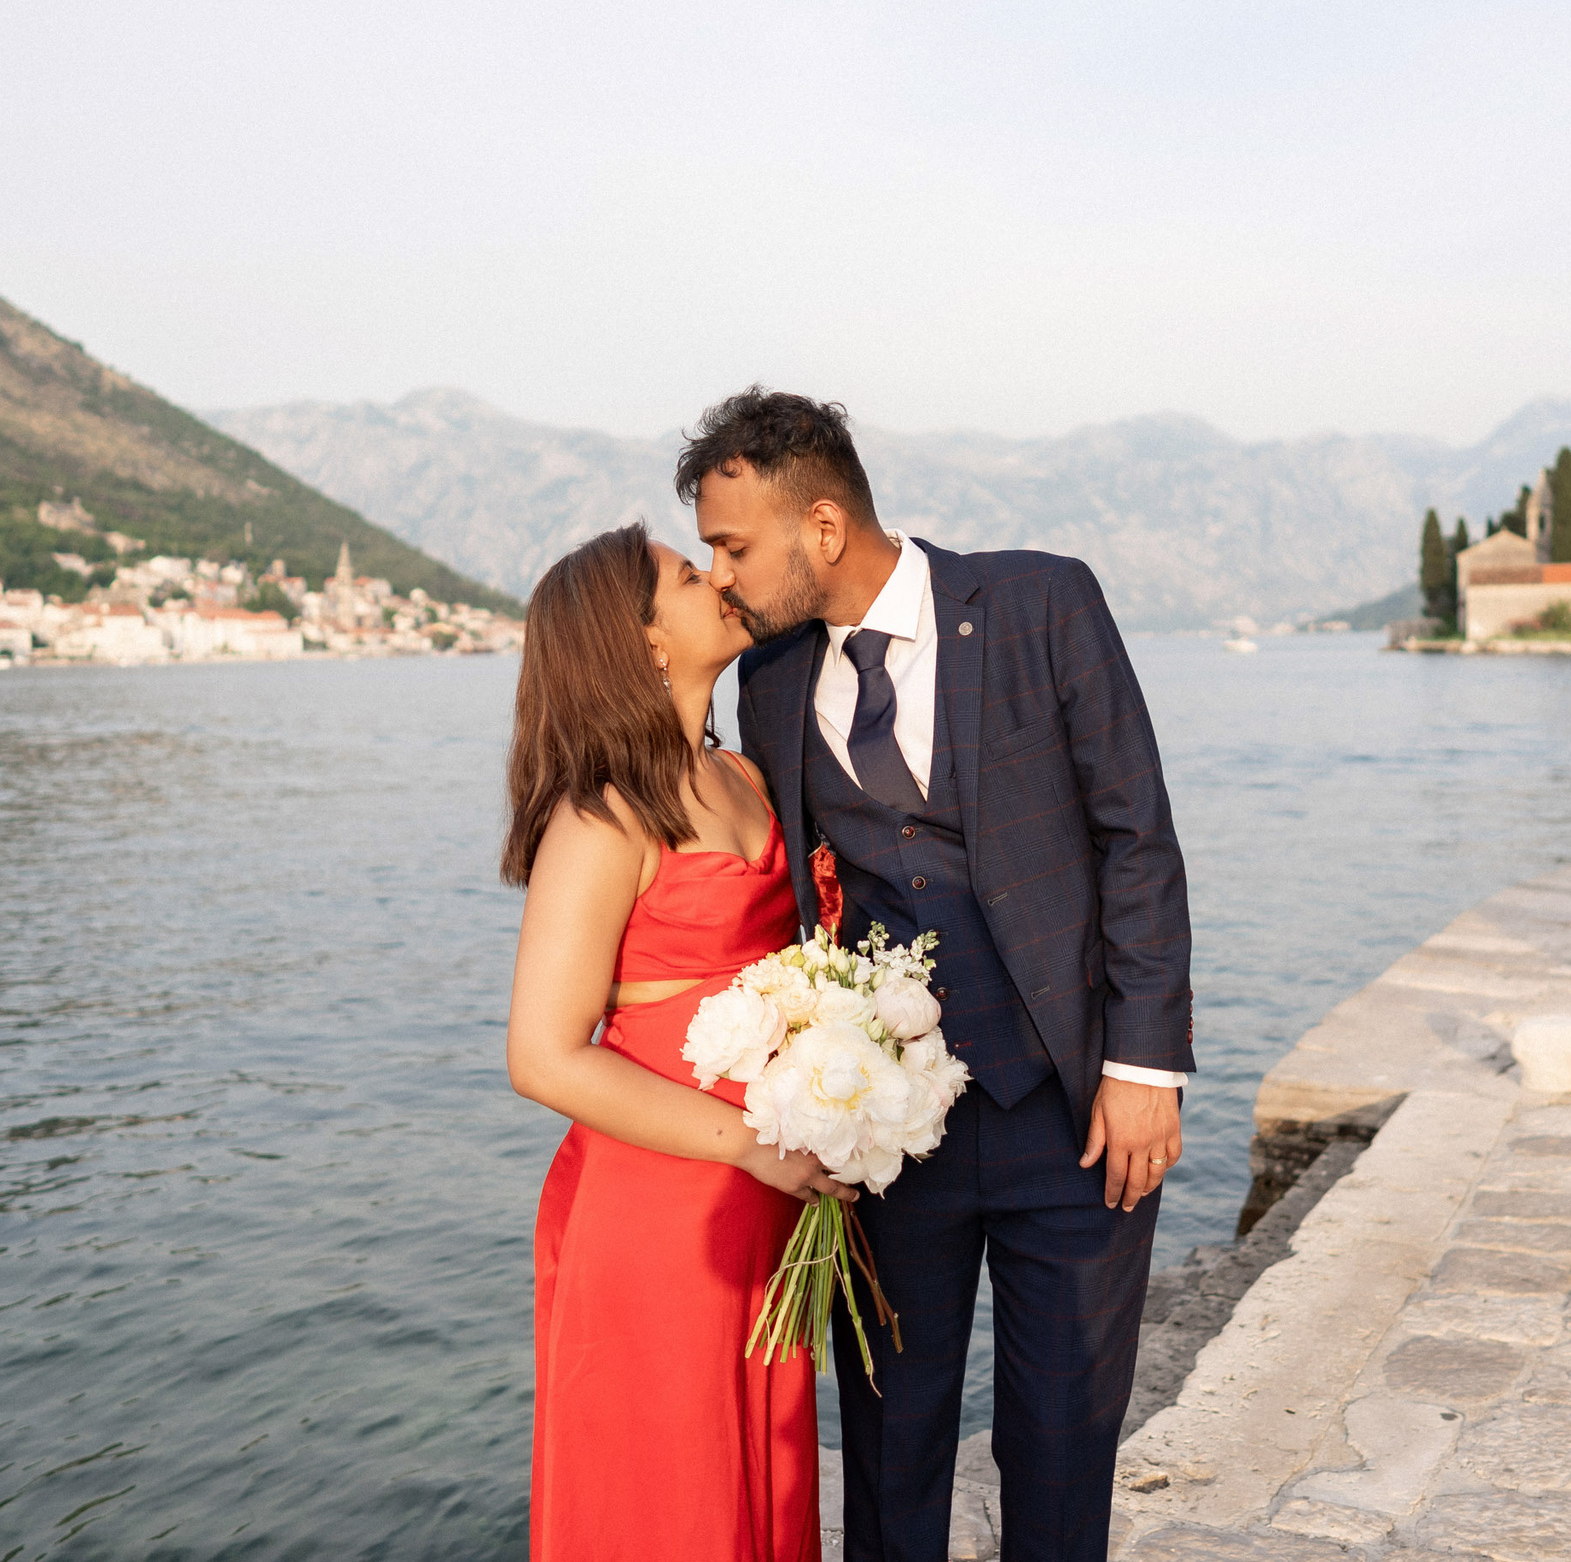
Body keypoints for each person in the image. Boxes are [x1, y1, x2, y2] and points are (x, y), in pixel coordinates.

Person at [680, 389, 1196, 1562]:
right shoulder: (767, 683)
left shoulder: (1036, 602)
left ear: (820, 526)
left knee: (1060, 1439)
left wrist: (1145, 1066)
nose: (721, 576)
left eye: (735, 545)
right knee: (888, 1441)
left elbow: (1137, 837)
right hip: (887, 1140)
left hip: (1072, 1112)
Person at [504, 521, 850, 1562]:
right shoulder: (601, 816)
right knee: (670, 1490)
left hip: (766, 1195)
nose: (723, 581)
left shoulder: (746, 778)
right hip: (658, 1211)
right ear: (645, 641)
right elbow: (541, 1054)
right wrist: (747, 1144)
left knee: (764, 1467)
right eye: (692, 576)